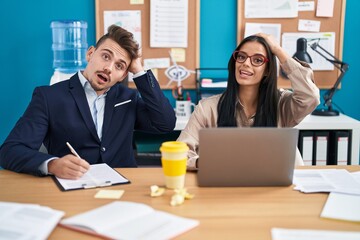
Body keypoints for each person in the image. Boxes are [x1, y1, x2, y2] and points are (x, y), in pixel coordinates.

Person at [0, 25, 176, 178]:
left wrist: (138, 69)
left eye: (119, 66)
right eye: (106, 57)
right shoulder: (48, 97)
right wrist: (53, 165)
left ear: (123, 75)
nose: (108, 68)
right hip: (73, 188)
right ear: (90, 53)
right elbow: (10, 151)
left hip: (123, 189)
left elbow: (165, 124)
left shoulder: (127, 98)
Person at [177, 33, 320, 170]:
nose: (245, 63)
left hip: (270, 189)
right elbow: (179, 152)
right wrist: (203, 162)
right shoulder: (207, 108)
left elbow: (310, 97)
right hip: (225, 186)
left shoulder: (283, 105)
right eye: (241, 57)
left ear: (267, 71)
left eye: (257, 60)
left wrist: (278, 50)